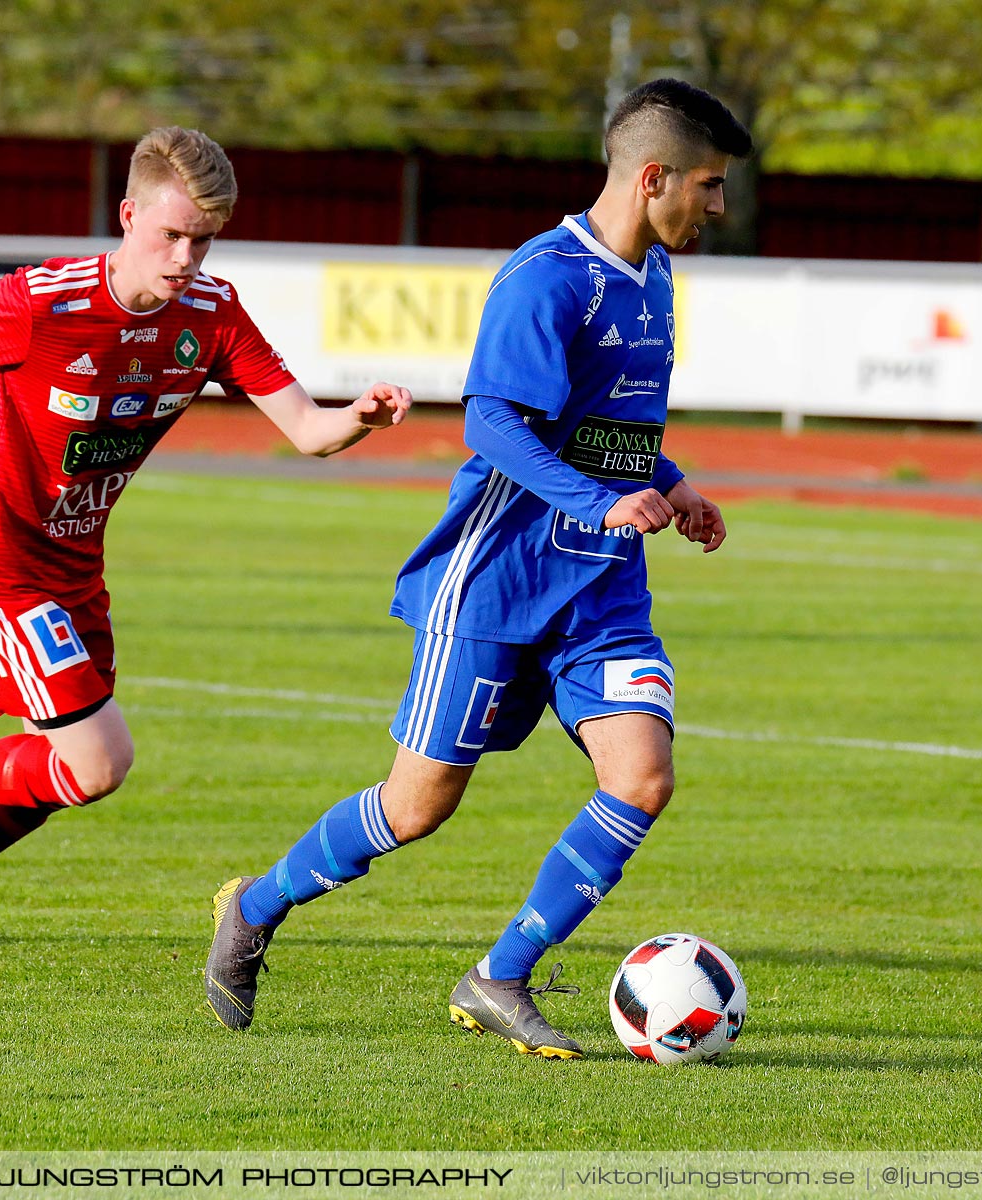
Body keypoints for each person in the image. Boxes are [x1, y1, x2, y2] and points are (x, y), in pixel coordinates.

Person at [0, 126, 412, 945]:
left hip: (74, 565)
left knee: (52, 772)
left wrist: (360, 418)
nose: (185, 258)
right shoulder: (47, 302)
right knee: (96, 763)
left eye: (202, 241)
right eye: (171, 235)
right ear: (128, 215)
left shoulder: (213, 312)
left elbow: (308, 430)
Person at [203, 79, 751, 1057]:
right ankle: (255, 904)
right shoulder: (546, 278)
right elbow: (493, 423)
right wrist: (597, 499)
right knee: (415, 808)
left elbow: (604, 429)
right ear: (653, 176)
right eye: (709, 187)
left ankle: (501, 975)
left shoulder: (655, 277)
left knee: (644, 778)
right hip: (499, 583)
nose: (718, 207)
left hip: (603, 592)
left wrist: (673, 482)